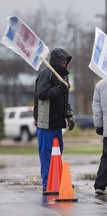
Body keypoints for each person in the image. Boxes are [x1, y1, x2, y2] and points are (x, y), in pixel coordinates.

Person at [34, 48, 75, 192]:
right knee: (46, 153)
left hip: (57, 122)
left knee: (57, 152)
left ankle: (57, 180)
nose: (65, 62)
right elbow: (42, 94)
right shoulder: (47, 74)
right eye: (62, 60)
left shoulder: (64, 77)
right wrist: (59, 88)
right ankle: (47, 183)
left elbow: (65, 99)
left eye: (66, 60)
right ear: (56, 61)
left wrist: (69, 114)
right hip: (45, 122)